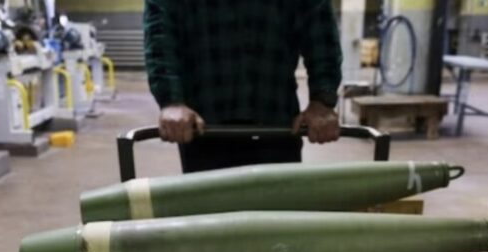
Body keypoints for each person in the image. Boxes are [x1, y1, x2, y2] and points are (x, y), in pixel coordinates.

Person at [143, 0, 343, 172]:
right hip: (205, 131)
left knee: (277, 203)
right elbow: (160, 32)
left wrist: (322, 100)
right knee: (210, 204)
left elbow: (320, 28)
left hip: (277, 128)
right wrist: (171, 100)